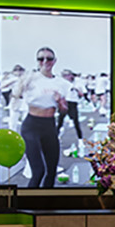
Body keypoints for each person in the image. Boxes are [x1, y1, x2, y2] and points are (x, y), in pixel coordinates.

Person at [13, 47, 72, 188]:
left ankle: (47, 200)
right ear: (37, 61)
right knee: (38, 171)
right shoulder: (30, 79)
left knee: (51, 171)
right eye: (41, 58)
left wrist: (60, 102)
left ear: (54, 61)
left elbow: (64, 110)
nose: (45, 61)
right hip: (31, 126)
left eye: (49, 58)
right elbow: (14, 95)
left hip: (49, 126)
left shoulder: (61, 83)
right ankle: (29, 200)